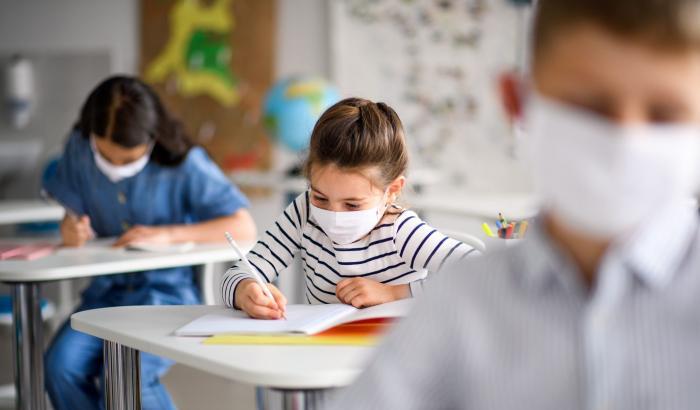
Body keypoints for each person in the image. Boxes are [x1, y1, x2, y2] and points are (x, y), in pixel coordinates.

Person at [329, 0, 700, 408]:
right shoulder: (456, 305)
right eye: (590, 107)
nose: (626, 142)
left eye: (666, 114)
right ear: (517, 101)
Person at [43, 76, 256, 410]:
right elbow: (71, 212)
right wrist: (71, 230)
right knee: (59, 368)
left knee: (130, 378)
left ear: (152, 138)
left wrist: (170, 234)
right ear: (91, 135)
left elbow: (243, 226)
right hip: (104, 296)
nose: (116, 168)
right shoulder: (79, 148)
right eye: (106, 157)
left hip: (166, 296)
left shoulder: (185, 162)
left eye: (128, 161)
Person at [221, 97, 479, 318]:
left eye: (352, 205)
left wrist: (394, 293)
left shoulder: (400, 230)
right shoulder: (303, 212)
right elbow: (240, 271)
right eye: (321, 197)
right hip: (324, 357)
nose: (333, 215)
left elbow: (479, 273)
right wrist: (245, 290)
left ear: (392, 190)